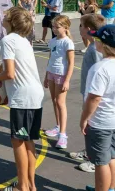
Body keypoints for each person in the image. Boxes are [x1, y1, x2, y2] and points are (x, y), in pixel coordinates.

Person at [0, 7, 44, 191]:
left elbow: (10, 74)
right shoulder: (23, 40)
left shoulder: (8, 40)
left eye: (7, 15)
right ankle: (30, 185)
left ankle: (22, 187)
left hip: (23, 97)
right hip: (35, 94)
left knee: (18, 141)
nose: (3, 16)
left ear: (12, 22)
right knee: (28, 141)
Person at [81, 25, 115, 191]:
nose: (95, 41)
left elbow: (94, 99)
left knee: (101, 162)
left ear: (104, 44)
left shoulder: (100, 68)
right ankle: (110, 188)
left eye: (97, 39)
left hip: (102, 123)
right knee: (112, 157)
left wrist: (84, 119)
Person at [69, 13, 105, 173]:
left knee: (92, 126)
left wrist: (93, 96)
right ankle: (89, 152)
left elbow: (101, 73)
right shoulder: (92, 45)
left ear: (89, 30)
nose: (79, 28)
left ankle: (95, 160)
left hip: (93, 95)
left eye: (81, 26)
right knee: (89, 127)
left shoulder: (96, 49)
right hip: (88, 92)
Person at [43, 15, 75, 149]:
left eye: (57, 27)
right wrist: (46, 75)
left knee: (61, 103)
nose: (54, 29)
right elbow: (50, 58)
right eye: (53, 27)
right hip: (51, 73)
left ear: (65, 27)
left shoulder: (68, 42)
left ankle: (63, 135)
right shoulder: (53, 41)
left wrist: (67, 80)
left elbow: (71, 63)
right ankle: (57, 126)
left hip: (61, 75)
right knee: (54, 101)